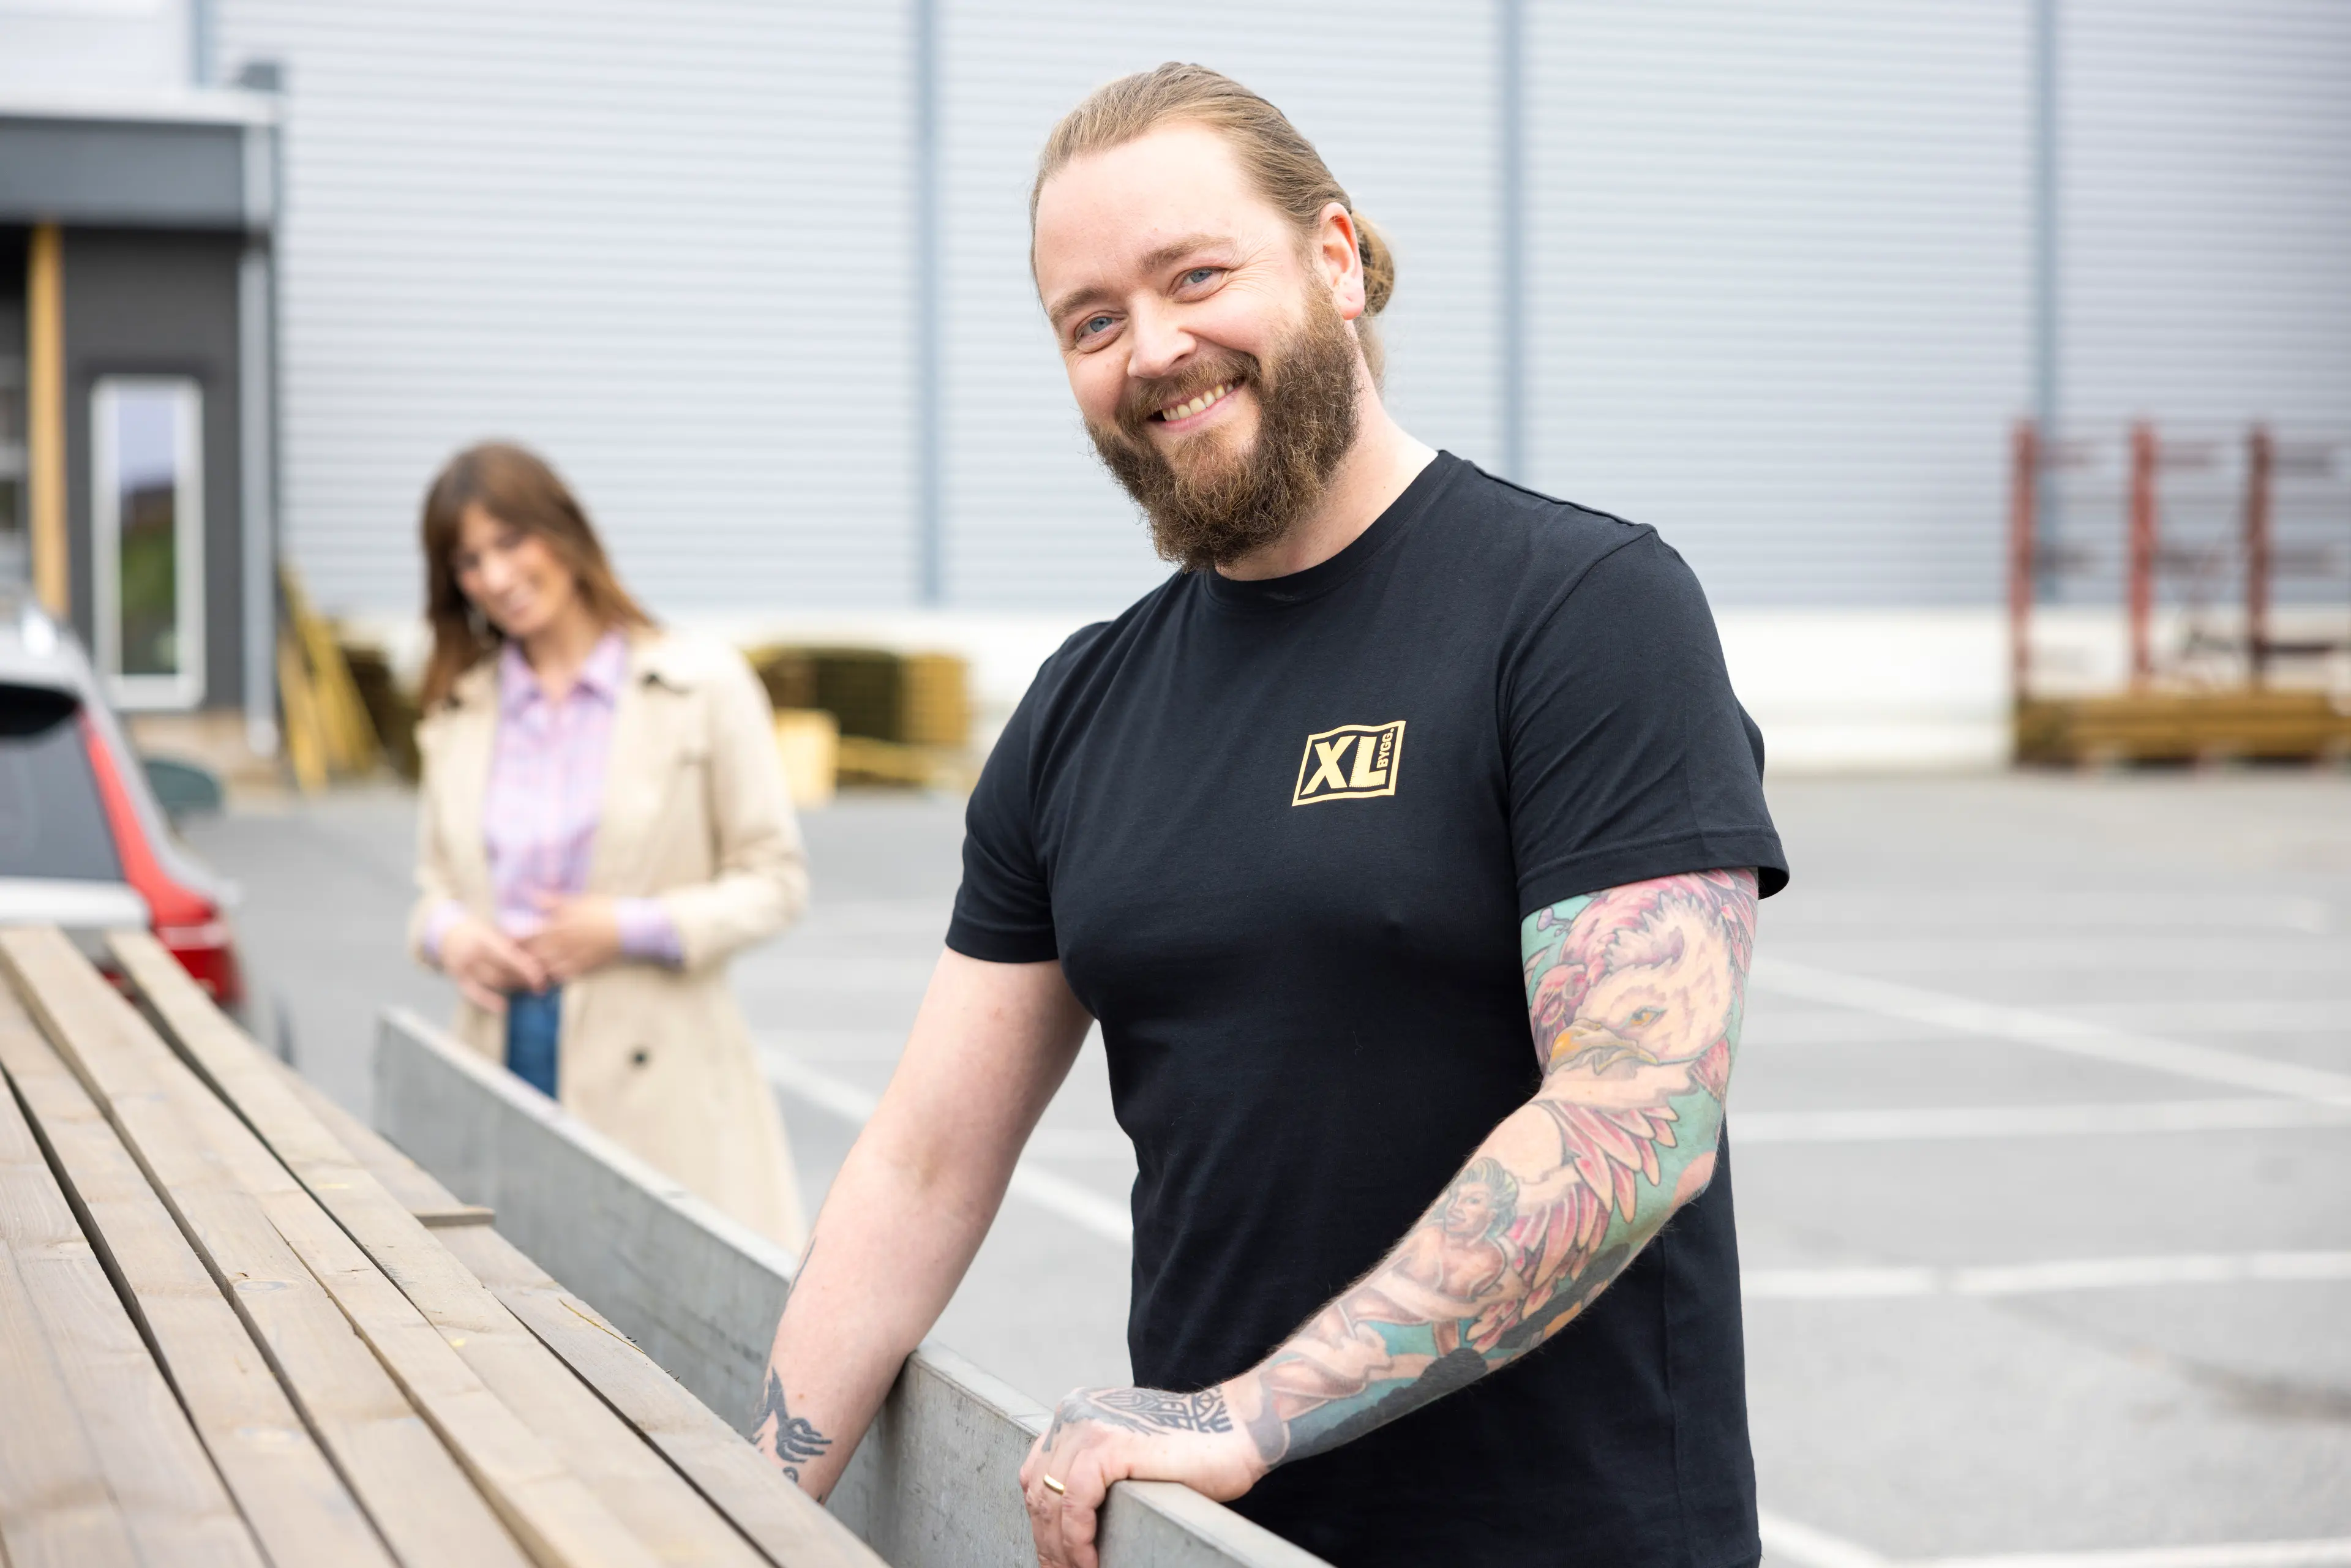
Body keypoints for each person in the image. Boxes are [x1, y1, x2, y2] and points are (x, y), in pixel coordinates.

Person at [756, 62, 1788, 1566]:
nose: (1153, 349)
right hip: (1214, 1546)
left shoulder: (1583, 610)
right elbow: (924, 1162)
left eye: (1196, 276)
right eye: (1091, 320)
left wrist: (1252, 1412)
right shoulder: (1084, 705)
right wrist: (732, 1509)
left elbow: (1641, 1113)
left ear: (1337, 258)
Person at [407, 441, 811, 1250]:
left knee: (653, 1310)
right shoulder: (458, 710)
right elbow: (435, 890)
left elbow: (776, 881)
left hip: (661, 1079)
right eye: (469, 561)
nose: (495, 576)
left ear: (564, 531)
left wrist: (628, 927)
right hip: (501, 1052)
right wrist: (452, 937)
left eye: (510, 541)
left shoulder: (703, 686)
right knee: (502, 1307)